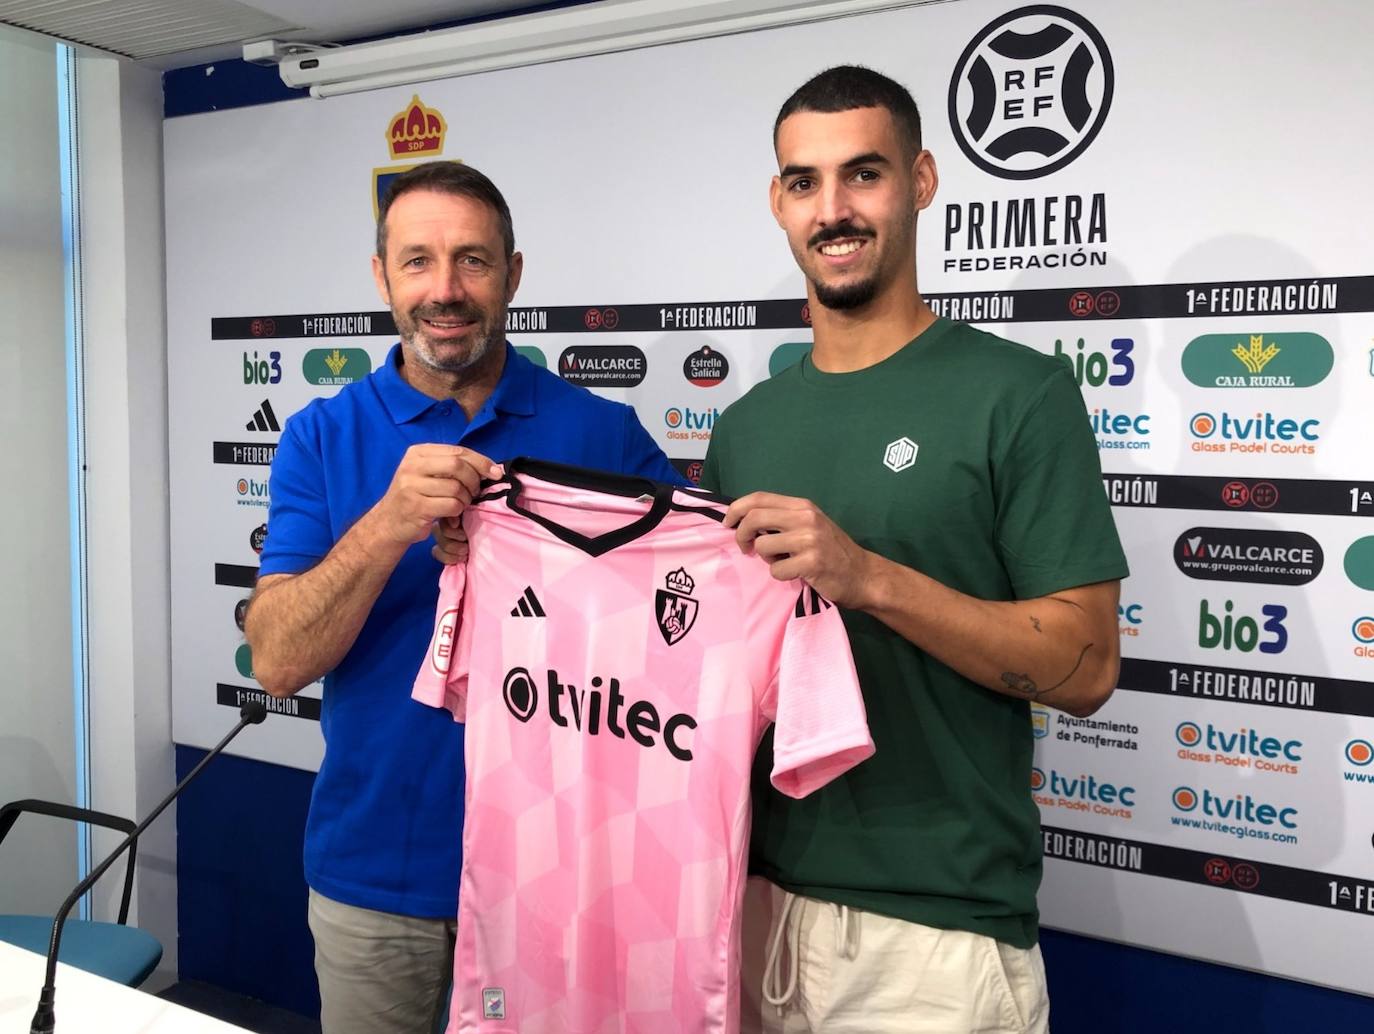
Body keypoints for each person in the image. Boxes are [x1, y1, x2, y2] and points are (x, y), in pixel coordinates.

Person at [699, 66, 1129, 1033]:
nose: (834, 209)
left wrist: (869, 578)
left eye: (864, 174)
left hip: (935, 936)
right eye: (804, 183)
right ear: (778, 202)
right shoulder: (746, 429)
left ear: (923, 180)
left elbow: (1089, 665)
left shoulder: (1020, 395)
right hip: (751, 906)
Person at [245, 160, 680, 1034]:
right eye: (417, 262)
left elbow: (677, 634)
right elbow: (279, 660)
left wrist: (558, 567)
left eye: (473, 261)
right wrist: (386, 526)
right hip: (378, 882)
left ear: (514, 274)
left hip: (564, 882)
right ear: (381, 277)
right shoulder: (320, 438)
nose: (445, 290)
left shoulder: (602, 433)